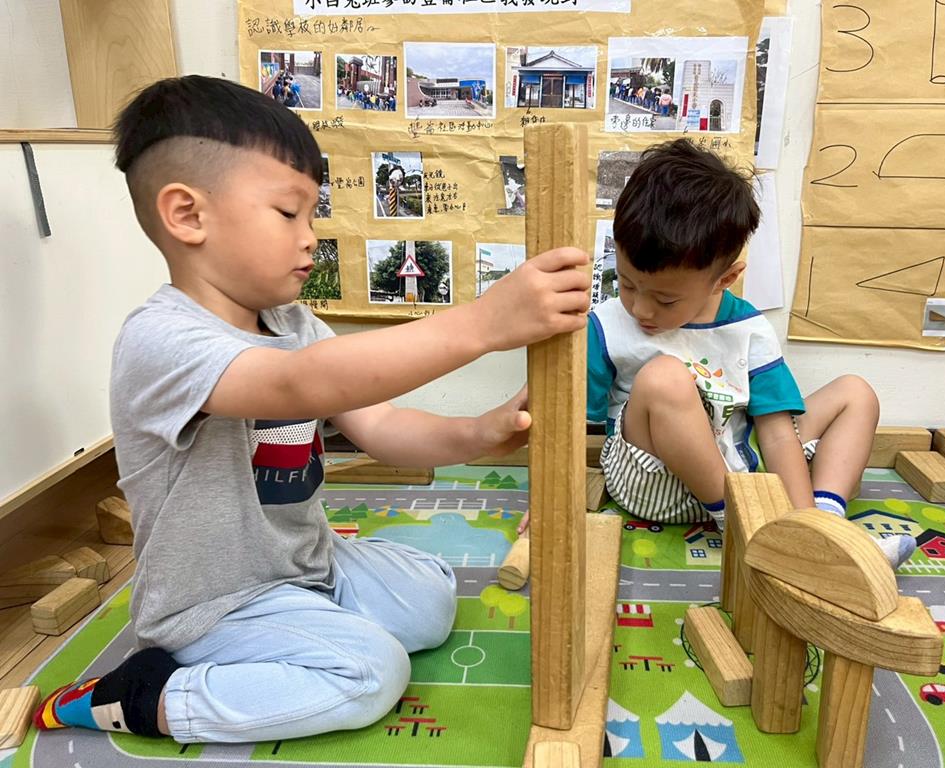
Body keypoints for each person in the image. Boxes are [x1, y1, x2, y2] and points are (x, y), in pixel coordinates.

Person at [32, 75, 590, 743]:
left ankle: (310, 618)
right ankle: (138, 695)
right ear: (187, 215)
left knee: (431, 602)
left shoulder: (294, 323)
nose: (311, 237)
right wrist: (484, 324)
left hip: (307, 564)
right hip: (213, 603)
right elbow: (298, 385)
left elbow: (381, 424)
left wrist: (477, 433)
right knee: (372, 674)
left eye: (313, 215)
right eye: (288, 213)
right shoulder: (161, 341)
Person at [519, 139, 915, 572]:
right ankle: (748, 530)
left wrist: (802, 522)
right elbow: (567, 423)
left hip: (740, 465)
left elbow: (777, 432)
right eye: (628, 284)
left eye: (665, 300)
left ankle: (822, 527)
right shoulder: (605, 325)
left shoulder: (748, 327)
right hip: (656, 482)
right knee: (664, 377)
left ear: (724, 279)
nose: (641, 309)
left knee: (855, 393)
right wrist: (550, 498)